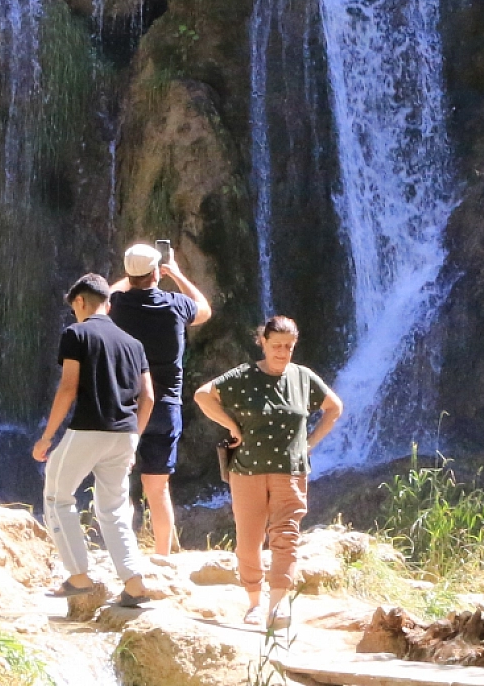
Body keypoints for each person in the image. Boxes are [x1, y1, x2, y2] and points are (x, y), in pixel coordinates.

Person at [194, 316, 342, 630]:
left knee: (286, 536)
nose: (283, 352)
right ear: (263, 342)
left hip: (290, 469)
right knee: (248, 540)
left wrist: (310, 443)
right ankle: (253, 602)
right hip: (246, 469)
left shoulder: (303, 377)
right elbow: (203, 395)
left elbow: (334, 407)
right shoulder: (243, 376)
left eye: (288, 346)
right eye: (277, 346)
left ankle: (277, 605)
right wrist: (232, 426)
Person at [33, 273, 155, 608]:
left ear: (80, 302)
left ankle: (78, 577)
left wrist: (46, 437)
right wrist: (135, 437)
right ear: (109, 303)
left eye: (74, 307)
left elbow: (69, 387)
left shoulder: (76, 334)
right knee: (114, 509)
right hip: (126, 434)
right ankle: (134, 584)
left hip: (88, 429)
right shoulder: (134, 344)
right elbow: (149, 397)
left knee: (58, 496)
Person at [109, 242, 212, 556]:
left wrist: (130, 277)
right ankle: (162, 556)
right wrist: (178, 275)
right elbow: (204, 309)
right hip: (165, 407)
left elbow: (103, 295)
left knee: (117, 486)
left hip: (125, 407)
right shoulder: (175, 305)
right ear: (157, 273)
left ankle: (122, 553)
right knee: (158, 488)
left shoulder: (118, 305)